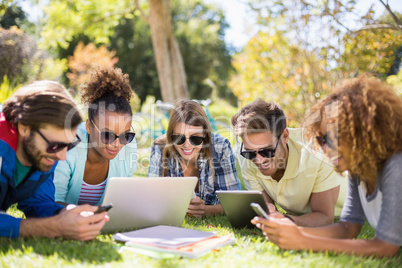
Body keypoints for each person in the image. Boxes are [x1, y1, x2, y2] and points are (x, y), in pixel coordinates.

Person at [252, 76, 402, 257]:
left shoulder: (396, 166)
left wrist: (304, 241)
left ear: (365, 132)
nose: (325, 148)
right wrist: (292, 230)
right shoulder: (358, 170)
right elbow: (348, 227)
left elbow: (385, 247)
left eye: (332, 138)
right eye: (321, 139)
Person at [0, 80, 108, 240]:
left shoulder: (42, 153)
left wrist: (64, 213)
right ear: (24, 127)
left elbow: (38, 202)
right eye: (55, 145)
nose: (62, 156)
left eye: (68, 145)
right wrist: (53, 227)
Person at [232, 99, 347, 227]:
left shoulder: (317, 153)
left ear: (285, 136)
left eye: (267, 151)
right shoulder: (245, 157)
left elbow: (324, 217)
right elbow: (266, 209)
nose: (258, 160)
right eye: (250, 153)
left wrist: (285, 221)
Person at [54, 68, 137, 206]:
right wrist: (90, 216)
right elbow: (53, 202)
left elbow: (124, 200)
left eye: (125, 136)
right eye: (107, 135)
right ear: (89, 126)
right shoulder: (68, 145)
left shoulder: (128, 146)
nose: (117, 144)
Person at [148, 99, 241, 217]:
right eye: (179, 138)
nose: (187, 145)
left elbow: (232, 203)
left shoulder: (220, 147)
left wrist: (205, 210)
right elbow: (151, 200)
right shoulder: (160, 147)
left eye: (195, 138)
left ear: (205, 135)